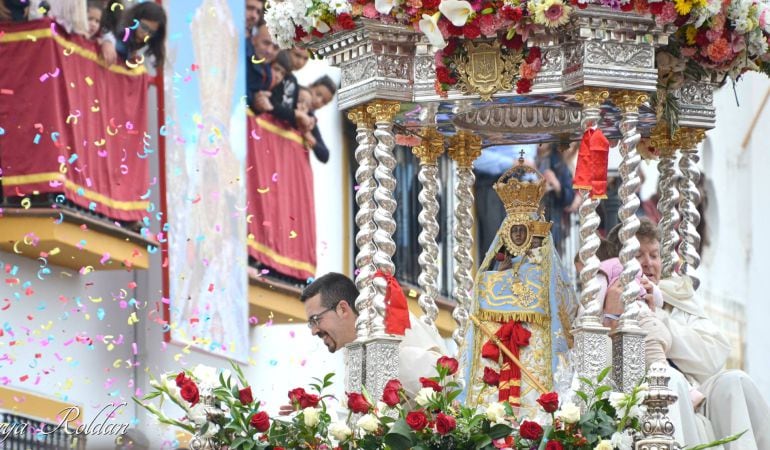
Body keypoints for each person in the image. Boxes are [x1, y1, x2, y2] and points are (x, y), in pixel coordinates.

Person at [604, 218, 770, 448]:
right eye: (638, 255)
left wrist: (659, 317)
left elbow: (712, 358)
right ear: (618, 263)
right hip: (636, 405)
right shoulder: (607, 298)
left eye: (654, 255)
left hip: (697, 402)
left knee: (736, 381)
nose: (648, 264)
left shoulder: (675, 298)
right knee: (669, 381)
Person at [462, 155, 579, 418]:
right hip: (499, 355)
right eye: (514, 232)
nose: (520, 238)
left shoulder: (548, 270)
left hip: (536, 352)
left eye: (525, 232)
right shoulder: (494, 272)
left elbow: (567, 311)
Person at [297, 272, 448, 397]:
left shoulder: (390, 319)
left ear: (342, 309)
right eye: (311, 323)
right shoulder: (351, 348)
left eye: (316, 320)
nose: (313, 331)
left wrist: (384, 356)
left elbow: (444, 378)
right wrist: (314, 416)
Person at [99, 0, 166, 67]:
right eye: (144, 27)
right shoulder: (117, 25)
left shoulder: (150, 50)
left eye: (151, 32)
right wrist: (107, 41)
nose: (146, 34)